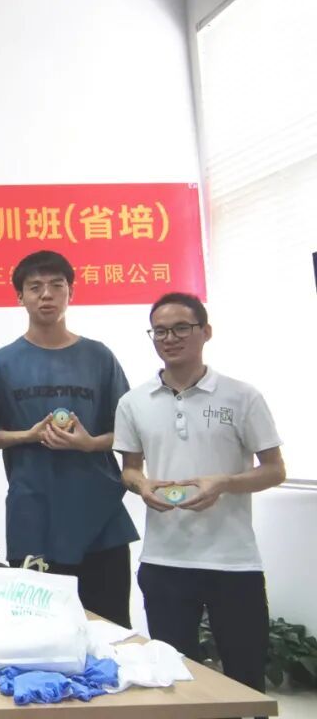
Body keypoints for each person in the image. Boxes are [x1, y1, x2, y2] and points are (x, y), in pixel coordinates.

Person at [114, 292, 285, 693]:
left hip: (233, 561)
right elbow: (130, 470)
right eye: (159, 331)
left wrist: (224, 482)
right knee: (176, 679)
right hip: (164, 560)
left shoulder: (241, 396)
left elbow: (275, 469)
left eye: (181, 328)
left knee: (246, 676)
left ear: (206, 332)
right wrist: (143, 485)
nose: (169, 338)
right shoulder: (133, 402)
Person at [0, 250, 137, 628]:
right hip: (34, 519)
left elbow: (131, 434)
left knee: (110, 630)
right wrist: (28, 435)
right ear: (20, 297)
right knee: (40, 632)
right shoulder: (1, 364)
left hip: (100, 518)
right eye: (35, 287)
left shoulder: (99, 357)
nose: (46, 294)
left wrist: (90, 444)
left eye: (56, 285)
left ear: (71, 293)